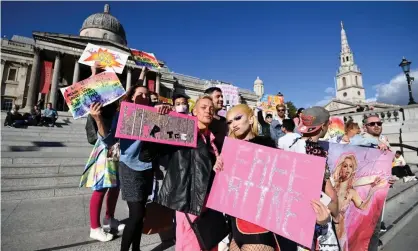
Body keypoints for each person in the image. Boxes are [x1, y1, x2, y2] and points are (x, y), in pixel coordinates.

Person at [223, 104, 330, 251]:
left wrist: (316, 216)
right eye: (229, 122)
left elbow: (290, 184)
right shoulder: (227, 150)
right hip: (236, 226)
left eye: (237, 118)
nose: (233, 124)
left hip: (260, 226)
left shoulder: (268, 147)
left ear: (251, 119)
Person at [90, 65, 172, 251]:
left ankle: (136, 248)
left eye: (147, 94)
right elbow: (109, 140)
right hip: (129, 167)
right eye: (139, 94)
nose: (144, 97)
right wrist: (98, 119)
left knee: (141, 213)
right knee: (136, 215)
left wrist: (168, 114)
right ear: (132, 97)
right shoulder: (124, 114)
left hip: (148, 167)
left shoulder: (156, 114)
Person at [143, 96, 223, 251]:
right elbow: (147, 154)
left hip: (208, 203)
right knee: (190, 245)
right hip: (187, 202)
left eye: (211, 109)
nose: (208, 111)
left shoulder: (212, 139)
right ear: (194, 111)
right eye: (204, 107)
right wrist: (158, 121)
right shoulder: (181, 132)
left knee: (209, 244)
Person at [287, 106, 340, 251]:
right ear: (323, 126)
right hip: (314, 215)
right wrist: (336, 216)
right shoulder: (314, 150)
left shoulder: (292, 144)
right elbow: (330, 193)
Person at [332, 154, 387, 250]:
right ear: (340, 167)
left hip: (341, 233)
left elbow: (362, 206)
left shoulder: (351, 192)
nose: (348, 169)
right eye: (345, 166)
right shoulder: (332, 187)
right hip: (329, 230)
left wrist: (372, 191)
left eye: (351, 166)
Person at [204, 87, 228, 152]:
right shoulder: (203, 120)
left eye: (222, 96)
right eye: (217, 96)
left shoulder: (225, 120)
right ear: (209, 99)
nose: (221, 99)